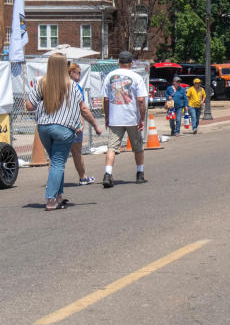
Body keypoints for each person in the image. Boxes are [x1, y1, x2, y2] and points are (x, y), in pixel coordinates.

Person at [26, 54, 101, 210]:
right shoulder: (72, 86)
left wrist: (43, 99)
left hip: (44, 127)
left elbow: (29, 106)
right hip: (64, 128)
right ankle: (51, 200)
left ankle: (59, 196)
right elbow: (84, 109)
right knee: (58, 162)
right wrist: (95, 125)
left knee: (55, 160)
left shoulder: (42, 83)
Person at [101, 51, 148, 188]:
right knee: (138, 147)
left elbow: (106, 99)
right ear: (131, 63)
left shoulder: (110, 76)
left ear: (118, 62)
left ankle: (107, 173)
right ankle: (139, 173)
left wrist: (107, 117)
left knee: (112, 147)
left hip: (115, 117)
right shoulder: (136, 77)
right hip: (132, 117)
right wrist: (142, 119)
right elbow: (140, 100)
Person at [67, 63, 99, 186]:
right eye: (78, 72)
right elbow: (83, 108)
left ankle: (53, 181)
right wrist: (84, 122)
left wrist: (81, 121)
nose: (80, 75)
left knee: (57, 156)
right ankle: (83, 177)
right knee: (76, 153)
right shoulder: (76, 87)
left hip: (60, 124)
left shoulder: (57, 86)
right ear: (71, 73)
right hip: (72, 125)